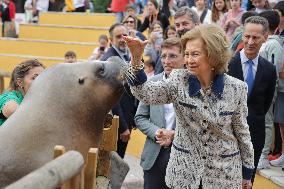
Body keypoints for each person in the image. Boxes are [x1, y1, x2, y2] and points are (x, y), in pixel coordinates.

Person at [123, 24, 254, 189]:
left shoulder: (237, 88)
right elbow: (145, 93)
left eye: (195, 54)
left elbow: (242, 133)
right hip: (184, 176)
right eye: (186, 54)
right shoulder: (179, 80)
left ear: (213, 55)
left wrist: (247, 173)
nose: (189, 60)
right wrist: (136, 59)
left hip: (224, 176)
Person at [227, 16, 277, 183]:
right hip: (225, 134)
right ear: (242, 35)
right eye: (247, 36)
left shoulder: (269, 70)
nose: (250, 41)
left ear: (265, 38)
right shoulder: (226, 64)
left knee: (246, 182)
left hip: (254, 135)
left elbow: (265, 103)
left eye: (255, 37)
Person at [135, 37, 185, 189]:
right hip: (154, 155)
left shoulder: (193, 85)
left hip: (183, 157)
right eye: (163, 56)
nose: (166, 60)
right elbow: (140, 117)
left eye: (172, 56)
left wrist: (174, 135)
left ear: (184, 58)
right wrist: (157, 132)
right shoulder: (152, 83)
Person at [100, 23, 137, 159]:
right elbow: (111, 97)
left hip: (127, 118)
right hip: (116, 124)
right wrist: (122, 126)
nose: (122, 39)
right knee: (112, 163)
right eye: (118, 36)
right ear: (111, 40)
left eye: (125, 35)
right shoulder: (109, 60)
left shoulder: (127, 54)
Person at [256, 10, 284, 170]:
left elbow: (277, 70)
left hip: (268, 89)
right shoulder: (266, 43)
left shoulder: (274, 44)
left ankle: (263, 155)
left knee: (266, 122)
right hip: (259, 88)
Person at [0, 59, 45, 126]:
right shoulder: (9, 97)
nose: (41, 81)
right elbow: (12, 110)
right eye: (34, 78)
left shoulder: (36, 99)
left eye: (43, 77)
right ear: (20, 82)